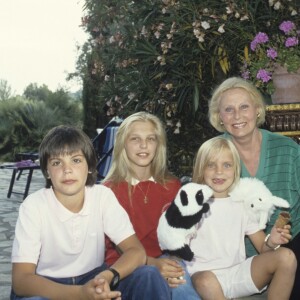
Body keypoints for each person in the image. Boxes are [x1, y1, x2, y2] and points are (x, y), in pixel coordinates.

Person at [10, 125, 171, 300]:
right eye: (57, 163)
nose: (67, 169)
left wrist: (107, 277)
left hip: (94, 276)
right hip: (48, 285)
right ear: (47, 171)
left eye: (76, 160)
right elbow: (21, 281)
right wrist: (81, 294)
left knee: (148, 275)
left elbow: (136, 251)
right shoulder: (33, 206)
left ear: (89, 166)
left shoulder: (102, 196)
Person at [208, 76, 300, 299]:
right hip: (238, 256)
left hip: (293, 241)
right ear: (219, 117)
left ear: (258, 110)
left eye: (244, 107)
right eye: (228, 109)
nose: (237, 116)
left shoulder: (288, 149)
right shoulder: (213, 155)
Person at [103, 111, 200, 299]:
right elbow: (112, 246)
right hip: (124, 265)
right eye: (135, 139)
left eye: (151, 139)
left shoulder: (172, 186)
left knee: (181, 288)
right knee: (151, 277)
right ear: (123, 144)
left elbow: (179, 236)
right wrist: (152, 264)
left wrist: (171, 265)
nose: (144, 145)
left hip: (165, 259)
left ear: (159, 145)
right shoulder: (109, 190)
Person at [186, 136, 296, 300]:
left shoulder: (242, 204)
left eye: (227, 165)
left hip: (238, 274)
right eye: (211, 165)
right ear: (201, 169)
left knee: (287, 257)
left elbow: (263, 249)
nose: (219, 171)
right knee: (205, 280)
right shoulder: (190, 205)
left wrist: (272, 241)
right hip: (204, 278)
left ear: (236, 170)